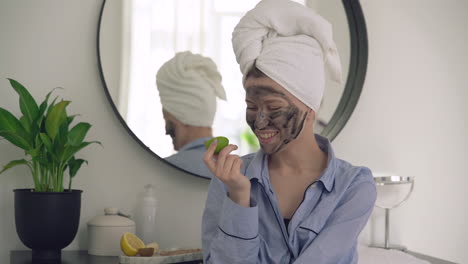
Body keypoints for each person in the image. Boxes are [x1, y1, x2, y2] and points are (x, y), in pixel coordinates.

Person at [201, 0, 376, 263]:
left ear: (310, 107)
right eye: (251, 106)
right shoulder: (230, 180)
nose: (259, 121)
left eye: (273, 106)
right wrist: (239, 195)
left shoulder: (353, 187)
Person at [156, 51, 226, 178]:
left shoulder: (167, 170)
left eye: (165, 116)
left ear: (174, 115)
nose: (166, 131)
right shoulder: (237, 169)